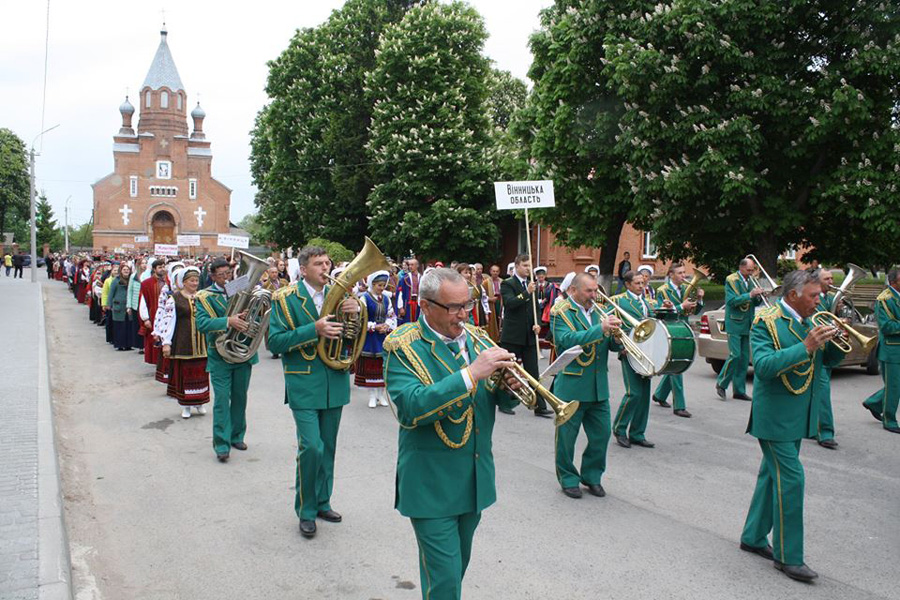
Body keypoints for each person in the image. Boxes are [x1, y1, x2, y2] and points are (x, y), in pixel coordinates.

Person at [383, 267, 521, 600]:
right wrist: (471, 374)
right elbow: (411, 408)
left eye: (467, 305)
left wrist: (509, 388)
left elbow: (493, 398)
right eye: (454, 307)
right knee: (444, 580)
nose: (463, 314)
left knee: (455, 570)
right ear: (425, 305)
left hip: (473, 478)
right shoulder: (403, 347)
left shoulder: (476, 338)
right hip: (430, 484)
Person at [739, 270, 843, 582]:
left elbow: (829, 362)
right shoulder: (765, 320)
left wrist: (836, 341)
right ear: (794, 295)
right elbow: (764, 367)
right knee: (792, 479)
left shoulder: (810, 320)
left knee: (772, 476)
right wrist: (806, 346)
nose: (819, 299)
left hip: (798, 414)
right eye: (813, 295)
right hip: (773, 417)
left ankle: (753, 536)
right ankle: (789, 557)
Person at [267, 245, 360, 538]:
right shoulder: (284, 298)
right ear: (303, 269)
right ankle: (305, 510)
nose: (325, 268)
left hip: (334, 381)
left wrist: (354, 316)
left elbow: (351, 338)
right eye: (319, 263)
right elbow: (275, 342)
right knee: (312, 447)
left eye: (327, 263)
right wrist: (314, 330)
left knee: (328, 447)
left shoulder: (343, 296)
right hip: (304, 382)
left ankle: (323, 502)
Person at [551, 273, 622, 499]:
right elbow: (566, 340)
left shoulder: (600, 311)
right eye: (589, 291)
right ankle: (568, 478)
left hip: (598, 386)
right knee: (566, 439)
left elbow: (608, 343)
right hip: (572, 385)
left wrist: (618, 339)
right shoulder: (560, 312)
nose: (594, 295)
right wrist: (600, 329)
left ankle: (592, 476)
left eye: (596, 291)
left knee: (601, 435)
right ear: (574, 290)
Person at [195, 258, 258, 462]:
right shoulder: (204, 296)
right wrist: (228, 321)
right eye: (221, 275)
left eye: (228, 274)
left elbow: (259, 307)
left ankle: (237, 436)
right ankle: (221, 445)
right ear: (212, 276)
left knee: (240, 398)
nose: (226, 278)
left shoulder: (239, 287)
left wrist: (250, 315)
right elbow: (202, 324)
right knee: (222, 401)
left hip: (242, 353)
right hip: (219, 355)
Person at [500, 254, 554, 418]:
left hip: (529, 335)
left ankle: (539, 405)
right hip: (513, 335)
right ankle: (504, 402)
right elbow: (510, 304)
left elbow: (535, 308)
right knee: (508, 370)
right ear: (516, 266)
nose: (528, 269)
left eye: (529, 266)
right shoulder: (507, 283)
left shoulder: (532, 285)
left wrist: (537, 323)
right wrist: (526, 292)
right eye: (524, 265)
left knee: (533, 371)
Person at [611, 270, 656, 448]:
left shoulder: (646, 302)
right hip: (628, 351)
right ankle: (619, 428)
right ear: (628, 284)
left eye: (643, 283)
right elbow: (608, 321)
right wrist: (620, 346)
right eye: (637, 283)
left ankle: (637, 433)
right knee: (634, 392)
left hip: (647, 351)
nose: (641, 286)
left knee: (644, 395)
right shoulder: (619, 300)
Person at [652, 263, 704, 418]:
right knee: (679, 365)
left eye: (684, 272)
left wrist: (699, 300)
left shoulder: (685, 289)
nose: (684, 276)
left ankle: (660, 395)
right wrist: (681, 306)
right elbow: (661, 313)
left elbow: (694, 311)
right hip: (670, 330)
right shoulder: (662, 290)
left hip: (684, 328)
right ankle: (679, 406)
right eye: (680, 273)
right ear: (671, 274)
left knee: (676, 365)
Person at [160, 267, 210, 418]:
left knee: (201, 374)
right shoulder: (175, 298)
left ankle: (200, 403)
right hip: (183, 342)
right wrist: (166, 342)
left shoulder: (203, 297)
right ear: (184, 282)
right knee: (185, 375)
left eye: (196, 280)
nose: (195, 283)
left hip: (201, 343)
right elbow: (168, 321)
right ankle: (186, 406)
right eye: (191, 281)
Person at [716, 257, 766, 401]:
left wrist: (759, 296)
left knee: (744, 359)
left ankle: (739, 390)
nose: (751, 273)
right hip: (734, 322)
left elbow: (754, 302)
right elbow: (731, 301)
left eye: (752, 270)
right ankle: (721, 383)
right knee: (735, 355)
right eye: (749, 270)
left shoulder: (750, 280)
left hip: (747, 322)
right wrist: (750, 294)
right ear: (742, 268)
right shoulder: (731, 280)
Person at [862, 268, 900, 434]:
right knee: (894, 386)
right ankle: (889, 420)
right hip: (892, 350)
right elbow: (886, 327)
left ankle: (874, 402)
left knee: (896, 386)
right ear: (894, 282)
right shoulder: (884, 299)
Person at [354, 270, 396, 408]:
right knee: (370, 365)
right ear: (372, 284)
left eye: (384, 285)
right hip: (370, 337)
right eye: (379, 285)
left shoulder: (386, 298)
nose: (382, 288)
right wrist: (374, 326)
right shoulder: (364, 298)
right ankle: (372, 395)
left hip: (383, 336)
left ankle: (381, 395)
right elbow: (360, 320)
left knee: (382, 366)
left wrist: (387, 325)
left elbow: (391, 315)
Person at [813, 269, 840, 448]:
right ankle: (826, 432)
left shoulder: (830, 298)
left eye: (832, 278)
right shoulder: (813, 297)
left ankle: (811, 427)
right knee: (823, 391)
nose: (831, 281)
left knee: (816, 390)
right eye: (827, 278)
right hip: (815, 349)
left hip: (827, 348)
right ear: (817, 281)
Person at [138, 260, 167, 366]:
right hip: (153, 316)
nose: (162, 269)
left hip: (167, 317)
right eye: (160, 267)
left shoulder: (168, 282)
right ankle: (157, 363)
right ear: (154, 269)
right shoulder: (146, 283)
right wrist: (145, 318)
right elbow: (143, 302)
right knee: (154, 340)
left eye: (164, 266)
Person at [108, 263, 133, 351]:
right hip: (118, 306)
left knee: (128, 326)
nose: (126, 271)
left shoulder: (131, 280)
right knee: (119, 326)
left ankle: (128, 344)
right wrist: (109, 305)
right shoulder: (116, 280)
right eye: (124, 270)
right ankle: (120, 344)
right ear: (121, 271)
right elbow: (111, 293)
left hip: (128, 306)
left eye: (127, 270)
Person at [482, 264, 503, 342]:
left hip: (500, 302)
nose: (495, 273)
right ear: (490, 272)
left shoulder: (502, 282)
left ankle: (499, 338)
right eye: (493, 271)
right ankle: (492, 339)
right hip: (490, 304)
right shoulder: (486, 282)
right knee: (492, 322)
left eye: (497, 271)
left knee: (500, 320)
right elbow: (482, 296)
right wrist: (490, 299)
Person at [397, 257, 421, 324]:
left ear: (417, 266)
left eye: (412, 265)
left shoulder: (422, 278)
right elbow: (400, 293)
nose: (410, 266)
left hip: (418, 305)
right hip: (407, 305)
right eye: (409, 265)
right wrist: (401, 307)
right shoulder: (404, 279)